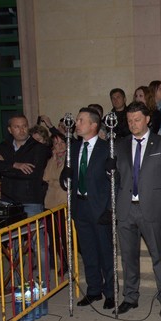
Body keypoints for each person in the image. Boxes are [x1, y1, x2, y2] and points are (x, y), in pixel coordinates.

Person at [113, 102, 161, 316]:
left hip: (153, 210)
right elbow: (116, 180)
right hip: (125, 209)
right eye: (129, 120)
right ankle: (130, 296)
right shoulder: (119, 146)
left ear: (147, 119)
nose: (133, 124)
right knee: (128, 256)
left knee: (159, 256)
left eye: (137, 119)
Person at [62, 107, 115, 309]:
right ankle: (94, 290)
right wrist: (65, 176)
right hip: (80, 206)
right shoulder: (73, 148)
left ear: (93, 125)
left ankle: (110, 291)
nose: (77, 123)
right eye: (77, 119)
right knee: (88, 252)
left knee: (105, 252)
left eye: (81, 120)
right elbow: (67, 175)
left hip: (99, 208)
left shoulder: (106, 148)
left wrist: (110, 208)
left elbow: (114, 182)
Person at [0, 114, 50, 218]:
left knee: (33, 233)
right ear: (10, 129)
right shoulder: (4, 146)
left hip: (30, 202)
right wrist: (14, 165)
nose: (22, 130)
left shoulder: (38, 148)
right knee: (10, 234)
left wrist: (3, 165)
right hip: (8, 200)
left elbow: (31, 174)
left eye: (24, 126)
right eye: (17, 127)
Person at [42, 133, 69, 273]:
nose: (59, 147)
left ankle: (67, 262)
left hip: (63, 202)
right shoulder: (51, 160)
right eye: (56, 144)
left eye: (62, 143)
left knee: (64, 236)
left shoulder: (70, 158)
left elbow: (61, 180)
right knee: (53, 236)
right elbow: (46, 177)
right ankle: (62, 261)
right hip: (50, 202)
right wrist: (53, 159)